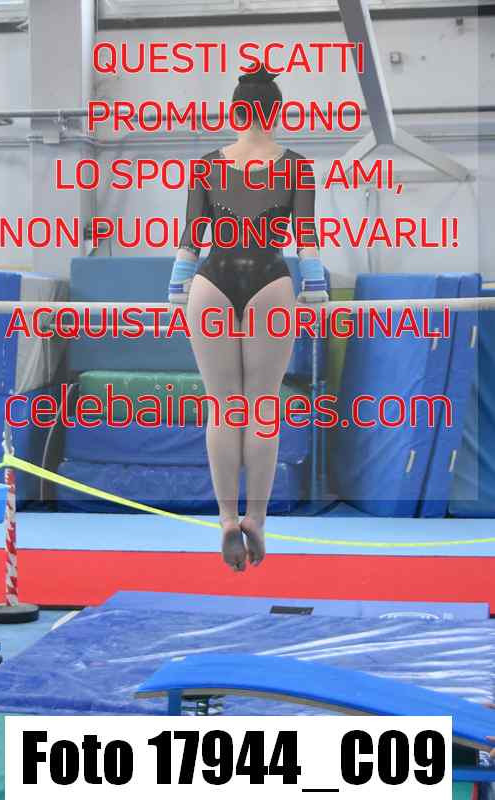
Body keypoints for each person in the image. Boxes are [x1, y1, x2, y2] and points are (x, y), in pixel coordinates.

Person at [168, 65, 327, 572]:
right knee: (261, 407)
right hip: (270, 281)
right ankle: (256, 519)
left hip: (210, 283)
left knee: (222, 407)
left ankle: (225, 519)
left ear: (235, 111)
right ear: (277, 111)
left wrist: (175, 292)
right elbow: (306, 236)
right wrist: (317, 289)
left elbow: (191, 238)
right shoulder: (297, 166)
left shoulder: (206, 166)